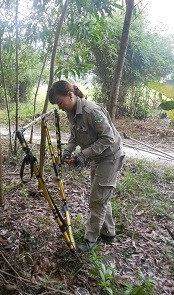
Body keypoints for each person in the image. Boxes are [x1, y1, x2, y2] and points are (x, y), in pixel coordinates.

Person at [48, 80, 125, 252]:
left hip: (110, 156)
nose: (60, 108)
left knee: (97, 200)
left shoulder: (91, 111)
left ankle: (90, 239)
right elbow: (75, 136)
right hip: (97, 157)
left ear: (70, 95)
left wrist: (83, 155)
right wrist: (67, 151)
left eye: (60, 103)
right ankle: (108, 233)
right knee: (101, 195)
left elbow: (108, 138)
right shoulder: (71, 111)